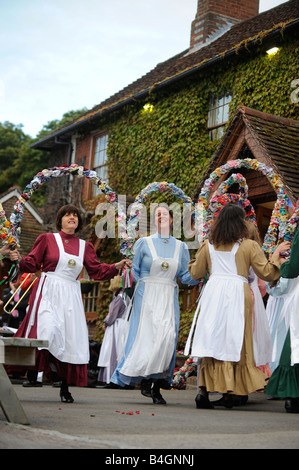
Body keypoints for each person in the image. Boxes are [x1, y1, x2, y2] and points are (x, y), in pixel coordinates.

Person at [9, 204, 130, 403]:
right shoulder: (47, 239)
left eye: (75, 215)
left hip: (71, 295)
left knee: (68, 338)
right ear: (60, 220)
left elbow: (97, 271)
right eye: (67, 215)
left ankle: (64, 386)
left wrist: (116, 266)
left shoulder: (85, 246)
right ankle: (42, 369)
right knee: (47, 329)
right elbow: (31, 263)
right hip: (49, 290)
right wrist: (18, 259)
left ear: (78, 221)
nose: (71, 217)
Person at [186, 203, 290, 409]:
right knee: (236, 341)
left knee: (212, 341)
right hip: (237, 294)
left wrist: (193, 263)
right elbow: (267, 273)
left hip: (213, 293)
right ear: (241, 223)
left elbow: (195, 273)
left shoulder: (208, 245)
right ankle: (229, 392)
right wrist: (278, 258)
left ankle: (203, 392)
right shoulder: (249, 246)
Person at [111, 204, 198, 404]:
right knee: (147, 338)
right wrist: (132, 276)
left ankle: (156, 383)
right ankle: (147, 381)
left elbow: (184, 276)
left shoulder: (181, 247)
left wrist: (200, 275)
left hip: (168, 294)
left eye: (165, 213)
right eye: (157, 214)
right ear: (154, 219)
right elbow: (136, 271)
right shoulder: (144, 243)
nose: (161, 216)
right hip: (147, 294)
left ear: (172, 219)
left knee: (167, 339)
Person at [265, 228, 299, 412]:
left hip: (288, 300)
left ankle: (291, 393)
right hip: (281, 301)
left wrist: (283, 263)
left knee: (291, 343)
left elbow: (291, 270)